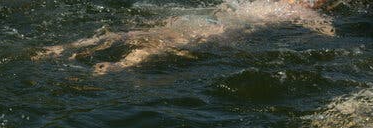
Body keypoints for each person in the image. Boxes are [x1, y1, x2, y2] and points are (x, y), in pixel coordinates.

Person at [33, 0, 340, 74]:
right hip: (218, 30)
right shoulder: (300, 11)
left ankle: (63, 46)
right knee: (164, 44)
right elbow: (325, 29)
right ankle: (115, 68)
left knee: (144, 33)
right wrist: (329, 30)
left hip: (206, 17)